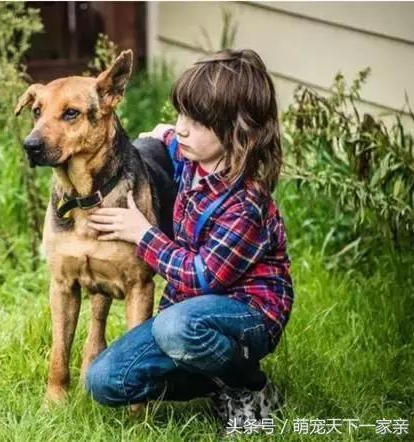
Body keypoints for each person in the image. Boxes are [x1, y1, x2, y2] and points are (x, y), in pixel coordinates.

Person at [85, 48, 294, 427]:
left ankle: (250, 386)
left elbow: (204, 276)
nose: (182, 127)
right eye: (181, 114)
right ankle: (215, 381)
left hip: (248, 315)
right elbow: (169, 136)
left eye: (195, 122)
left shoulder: (245, 204)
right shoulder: (189, 160)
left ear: (237, 132)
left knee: (175, 328)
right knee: (104, 381)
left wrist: (143, 234)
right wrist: (163, 133)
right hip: (190, 315)